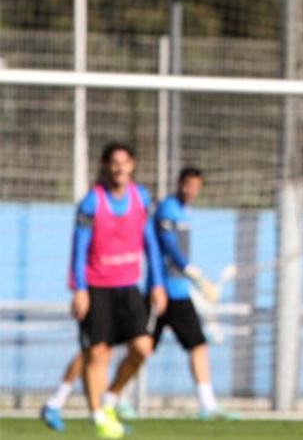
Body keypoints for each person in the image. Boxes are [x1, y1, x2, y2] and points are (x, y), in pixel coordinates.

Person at [59, 142, 166, 439]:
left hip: (129, 287)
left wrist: (157, 282)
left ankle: (111, 397)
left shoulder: (141, 198)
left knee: (142, 348)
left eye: (125, 162)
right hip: (97, 288)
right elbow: (78, 250)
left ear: (132, 165)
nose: (120, 167)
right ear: (106, 165)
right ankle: (98, 417)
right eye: (114, 162)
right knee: (98, 353)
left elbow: (151, 244)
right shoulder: (91, 203)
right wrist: (79, 289)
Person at [131, 166, 233, 419]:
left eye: (197, 187)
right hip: (162, 293)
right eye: (189, 185)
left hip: (179, 293)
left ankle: (207, 405)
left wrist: (193, 280)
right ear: (179, 183)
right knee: (141, 349)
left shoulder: (185, 212)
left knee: (198, 345)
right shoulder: (167, 209)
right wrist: (195, 275)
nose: (192, 191)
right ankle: (115, 397)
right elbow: (169, 248)